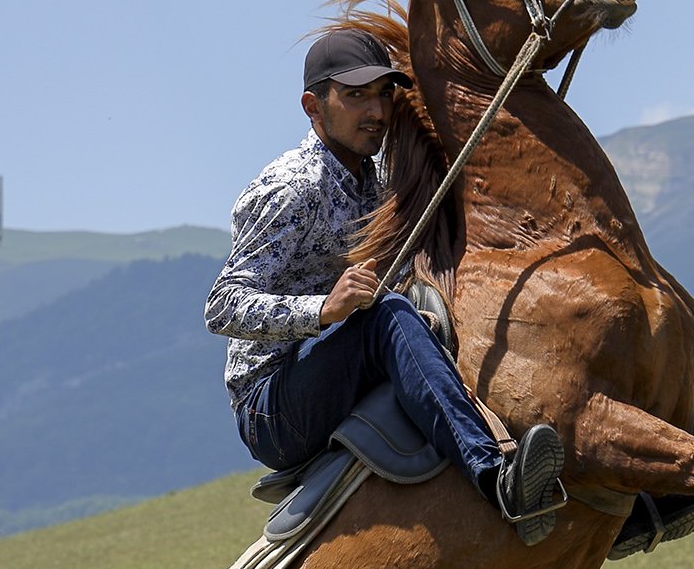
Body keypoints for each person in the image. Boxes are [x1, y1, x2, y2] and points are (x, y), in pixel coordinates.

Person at [205, 27, 565, 542]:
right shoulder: (291, 187)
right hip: (272, 404)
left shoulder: (372, 182)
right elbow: (221, 307)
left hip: (334, 364)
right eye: (355, 96)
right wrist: (323, 309)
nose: (375, 110)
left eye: (383, 94)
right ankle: (495, 476)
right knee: (389, 317)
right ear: (313, 105)